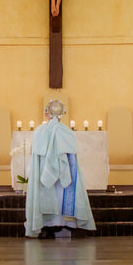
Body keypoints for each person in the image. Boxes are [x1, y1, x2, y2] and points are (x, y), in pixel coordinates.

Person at [25, 99, 96, 238]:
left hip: (43, 172)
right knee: (61, 195)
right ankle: (66, 222)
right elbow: (71, 156)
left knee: (50, 194)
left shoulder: (39, 131)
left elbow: (36, 156)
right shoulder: (67, 132)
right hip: (64, 173)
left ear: (47, 114)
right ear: (62, 114)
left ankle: (47, 224)